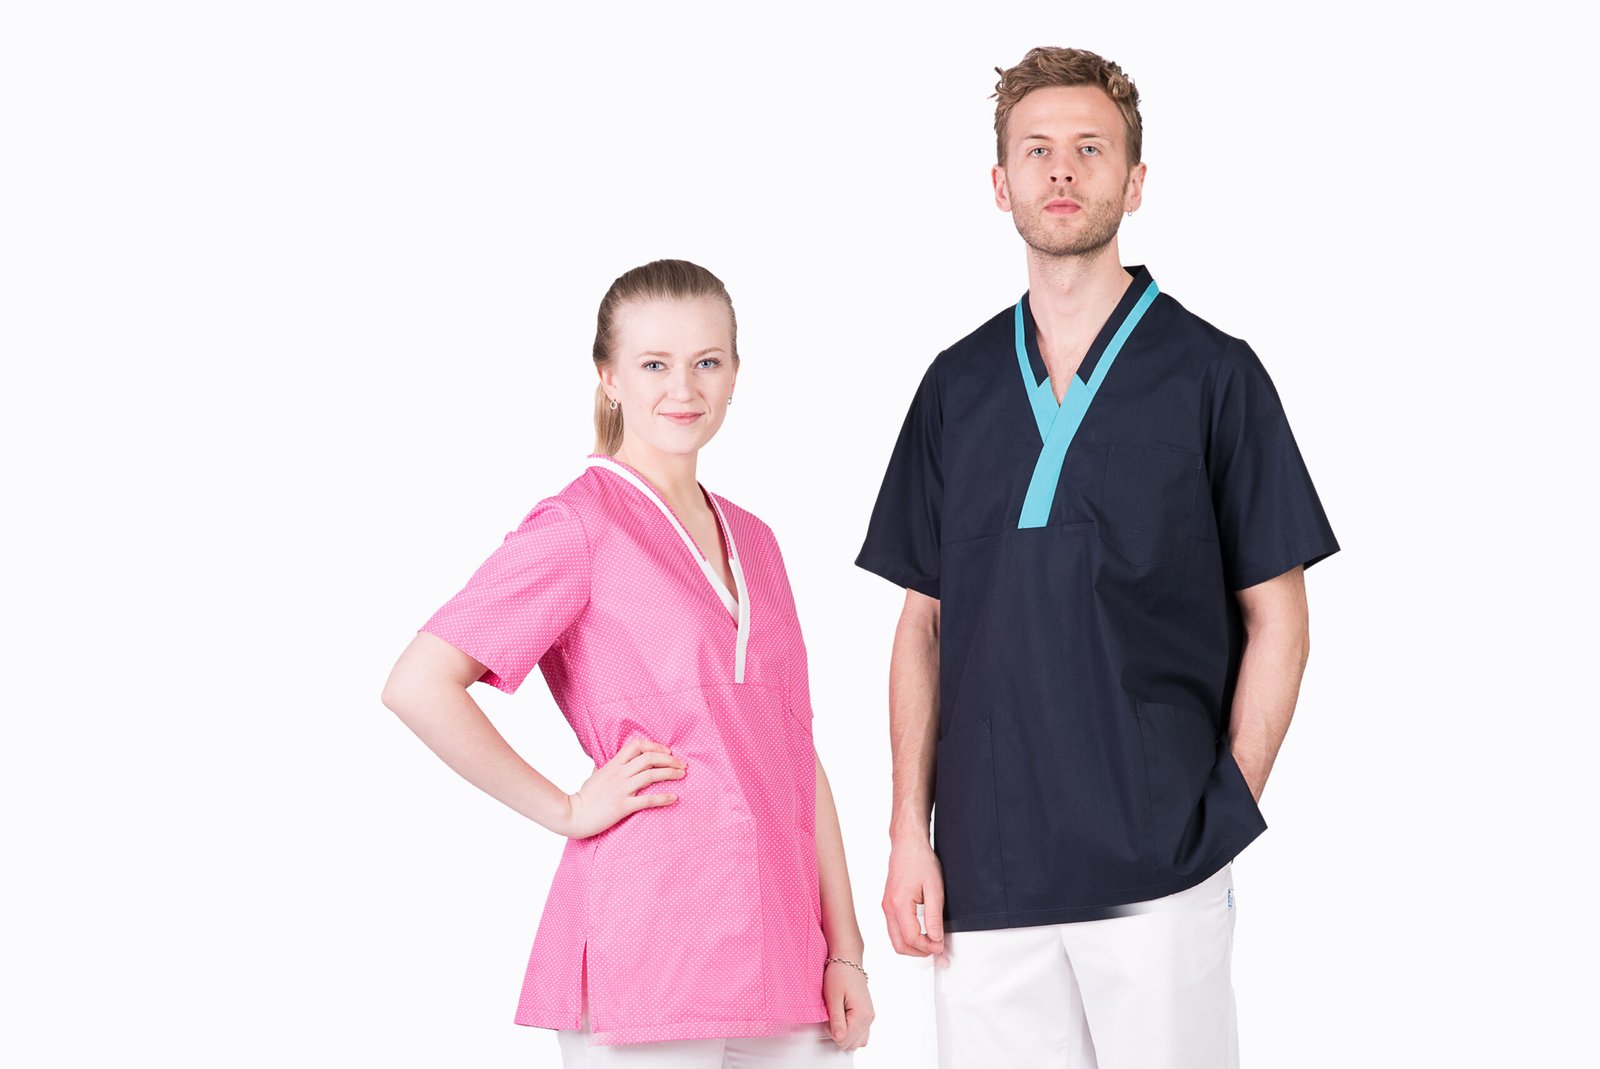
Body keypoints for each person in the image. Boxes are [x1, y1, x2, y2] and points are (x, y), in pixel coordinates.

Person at [855, 47, 1339, 1068]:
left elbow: (1280, 615)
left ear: (1136, 179)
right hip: (986, 873)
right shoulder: (955, 387)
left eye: (1089, 147)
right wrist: (907, 832)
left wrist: (1227, 806)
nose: (1062, 170)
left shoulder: (1213, 374)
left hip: (1158, 864)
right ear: (1000, 184)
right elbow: (922, 626)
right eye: (1036, 150)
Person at [383, 259, 872, 1067]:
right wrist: (567, 807)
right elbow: (419, 682)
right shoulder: (579, 526)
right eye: (653, 364)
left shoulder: (757, 540)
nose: (682, 387)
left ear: (735, 373)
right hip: (650, 939)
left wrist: (844, 947)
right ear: (608, 377)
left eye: (706, 361)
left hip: (786, 947)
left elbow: (794, 750)